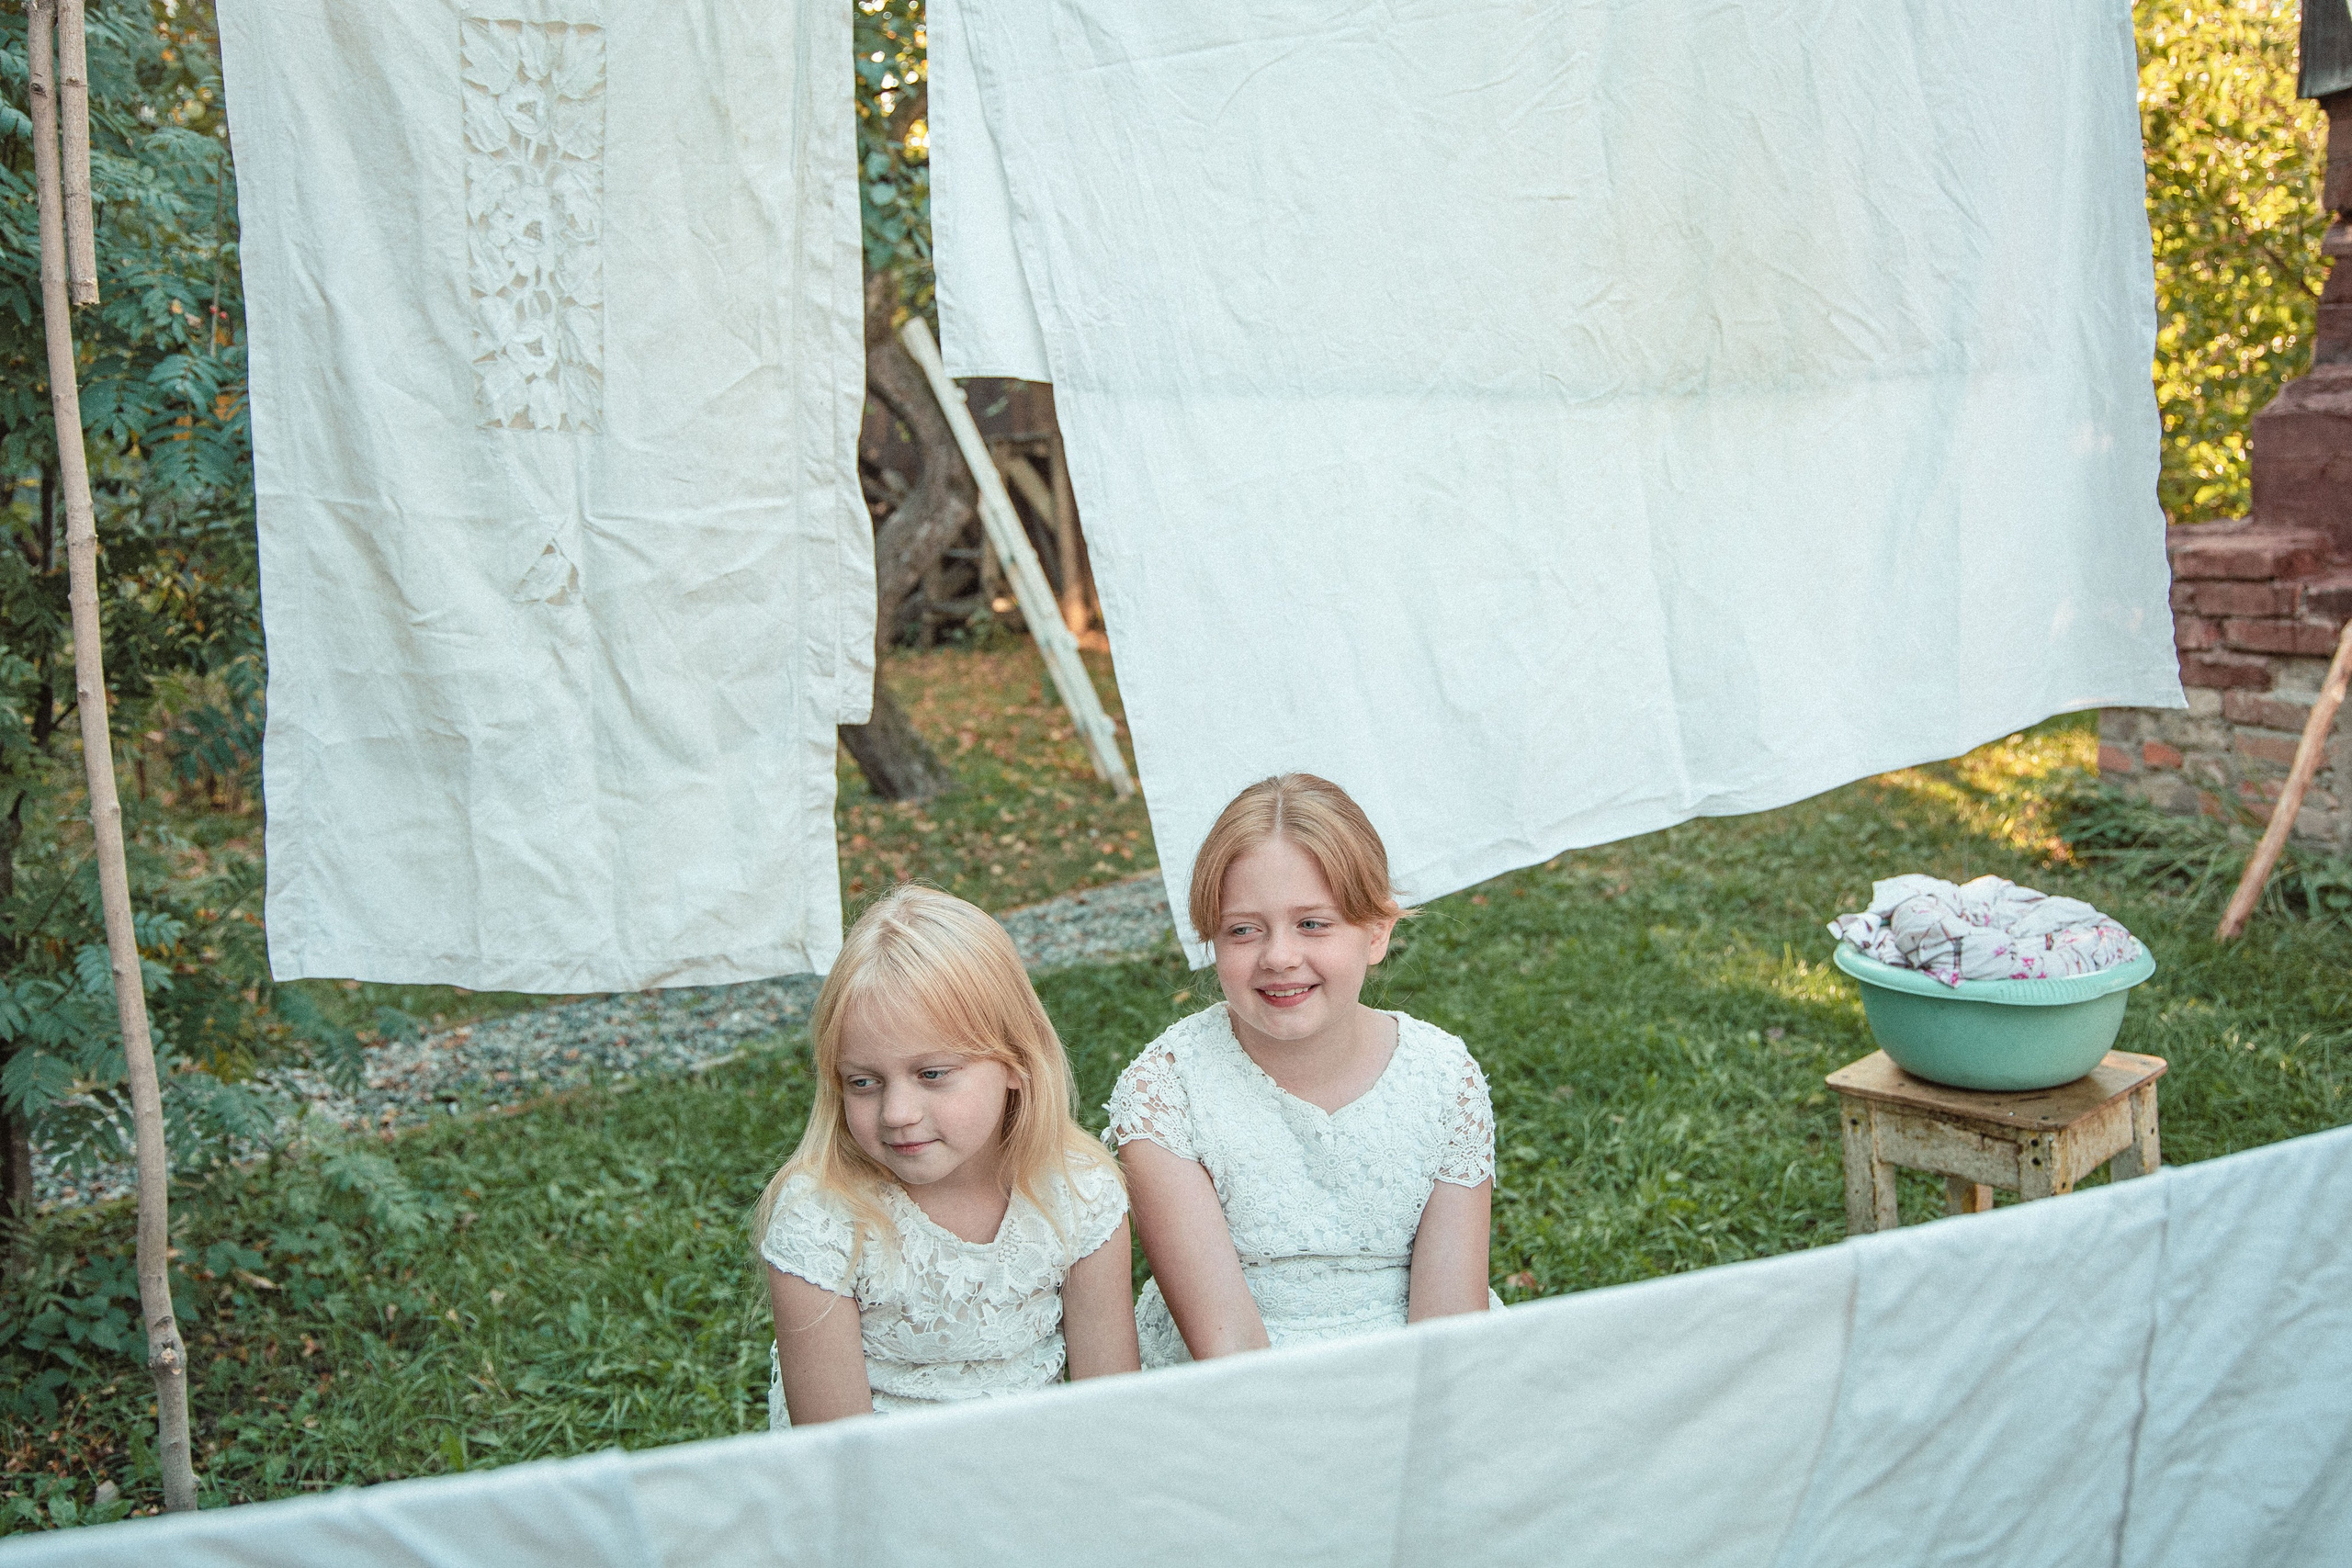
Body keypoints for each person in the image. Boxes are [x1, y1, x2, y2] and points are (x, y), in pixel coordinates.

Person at [1106, 773, 1497, 1367]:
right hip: (1240, 1384)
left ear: (1376, 930)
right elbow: (1229, 1344)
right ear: (1212, 939)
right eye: (1243, 929)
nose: (1280, 956)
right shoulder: (1164, 1093)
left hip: (1418, 1374)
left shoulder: (1445, 1080)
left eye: (1313, 923)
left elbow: (1450, 1329)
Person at [752, 885, 1138, 1426]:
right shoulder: (822, 1220)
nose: (896, 1112)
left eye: (932, 1074)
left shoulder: (1078, 1191)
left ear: (1015, 1063)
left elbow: (1112, 1407)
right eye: (863, 1082)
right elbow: (838, 1455)